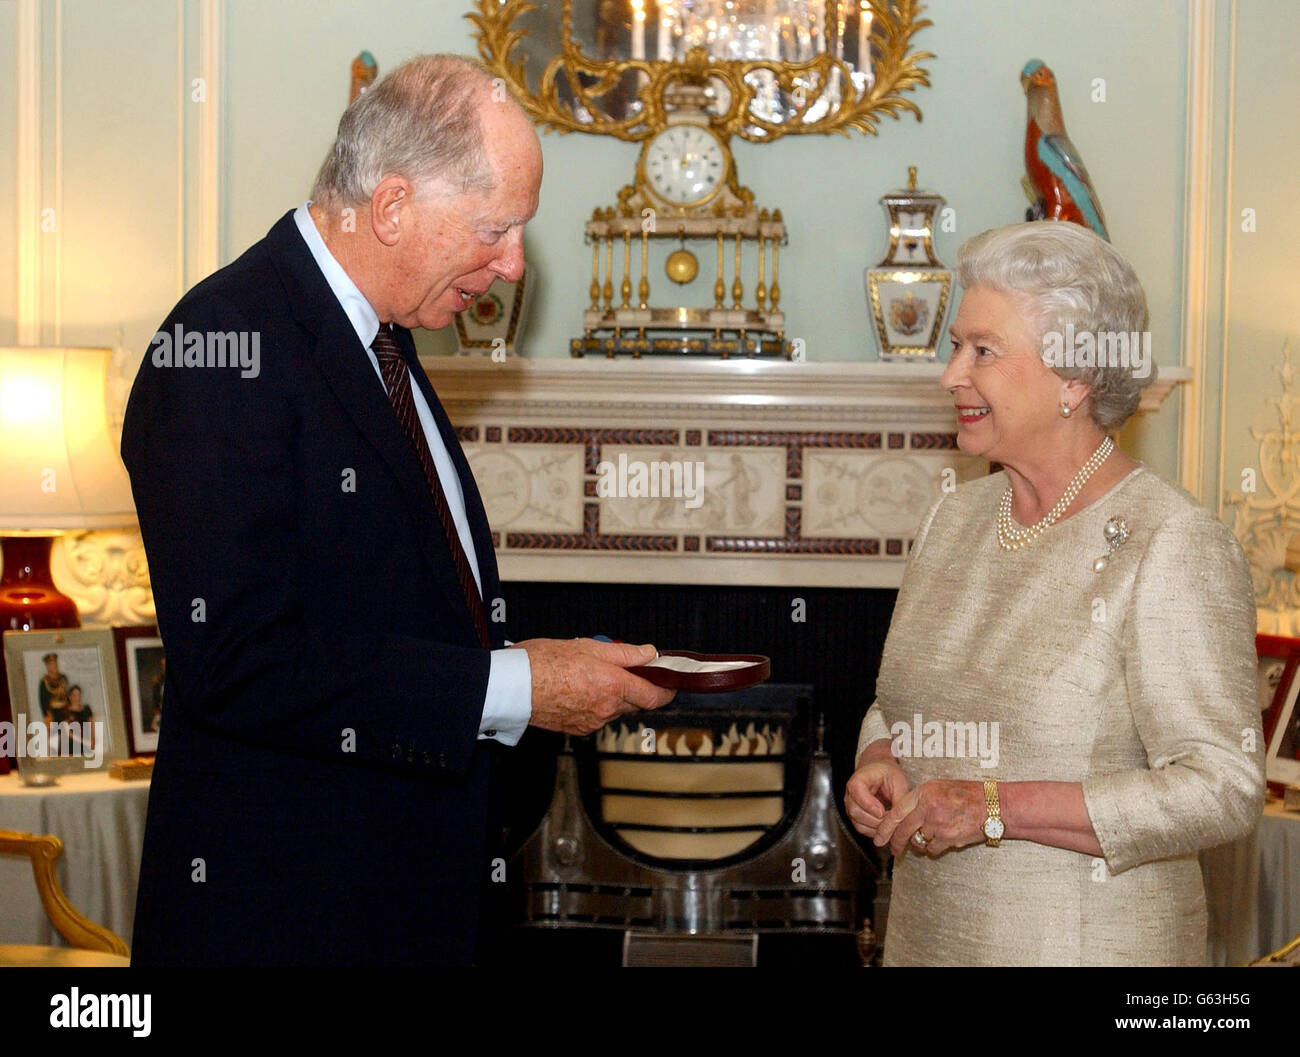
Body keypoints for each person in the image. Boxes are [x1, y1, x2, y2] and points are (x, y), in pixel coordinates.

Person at [121, 53, 673, 967]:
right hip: (282, 924)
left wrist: (527, 667)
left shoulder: (382, 339)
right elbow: (238, 661)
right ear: (391, 207)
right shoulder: (219, 347)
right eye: (496, 230)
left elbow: (396, 608)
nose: (511, 266)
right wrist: (514, 688)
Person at [843, 221, 1264, 966]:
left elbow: (1222, 786)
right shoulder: (955, 515)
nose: (951, 375)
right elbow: (905, 695)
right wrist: (881, 752)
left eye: (983, 351)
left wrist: (995, 806)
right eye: (954, 347)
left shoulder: (1170, 542)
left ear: (1075, 378)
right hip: (929, 941)